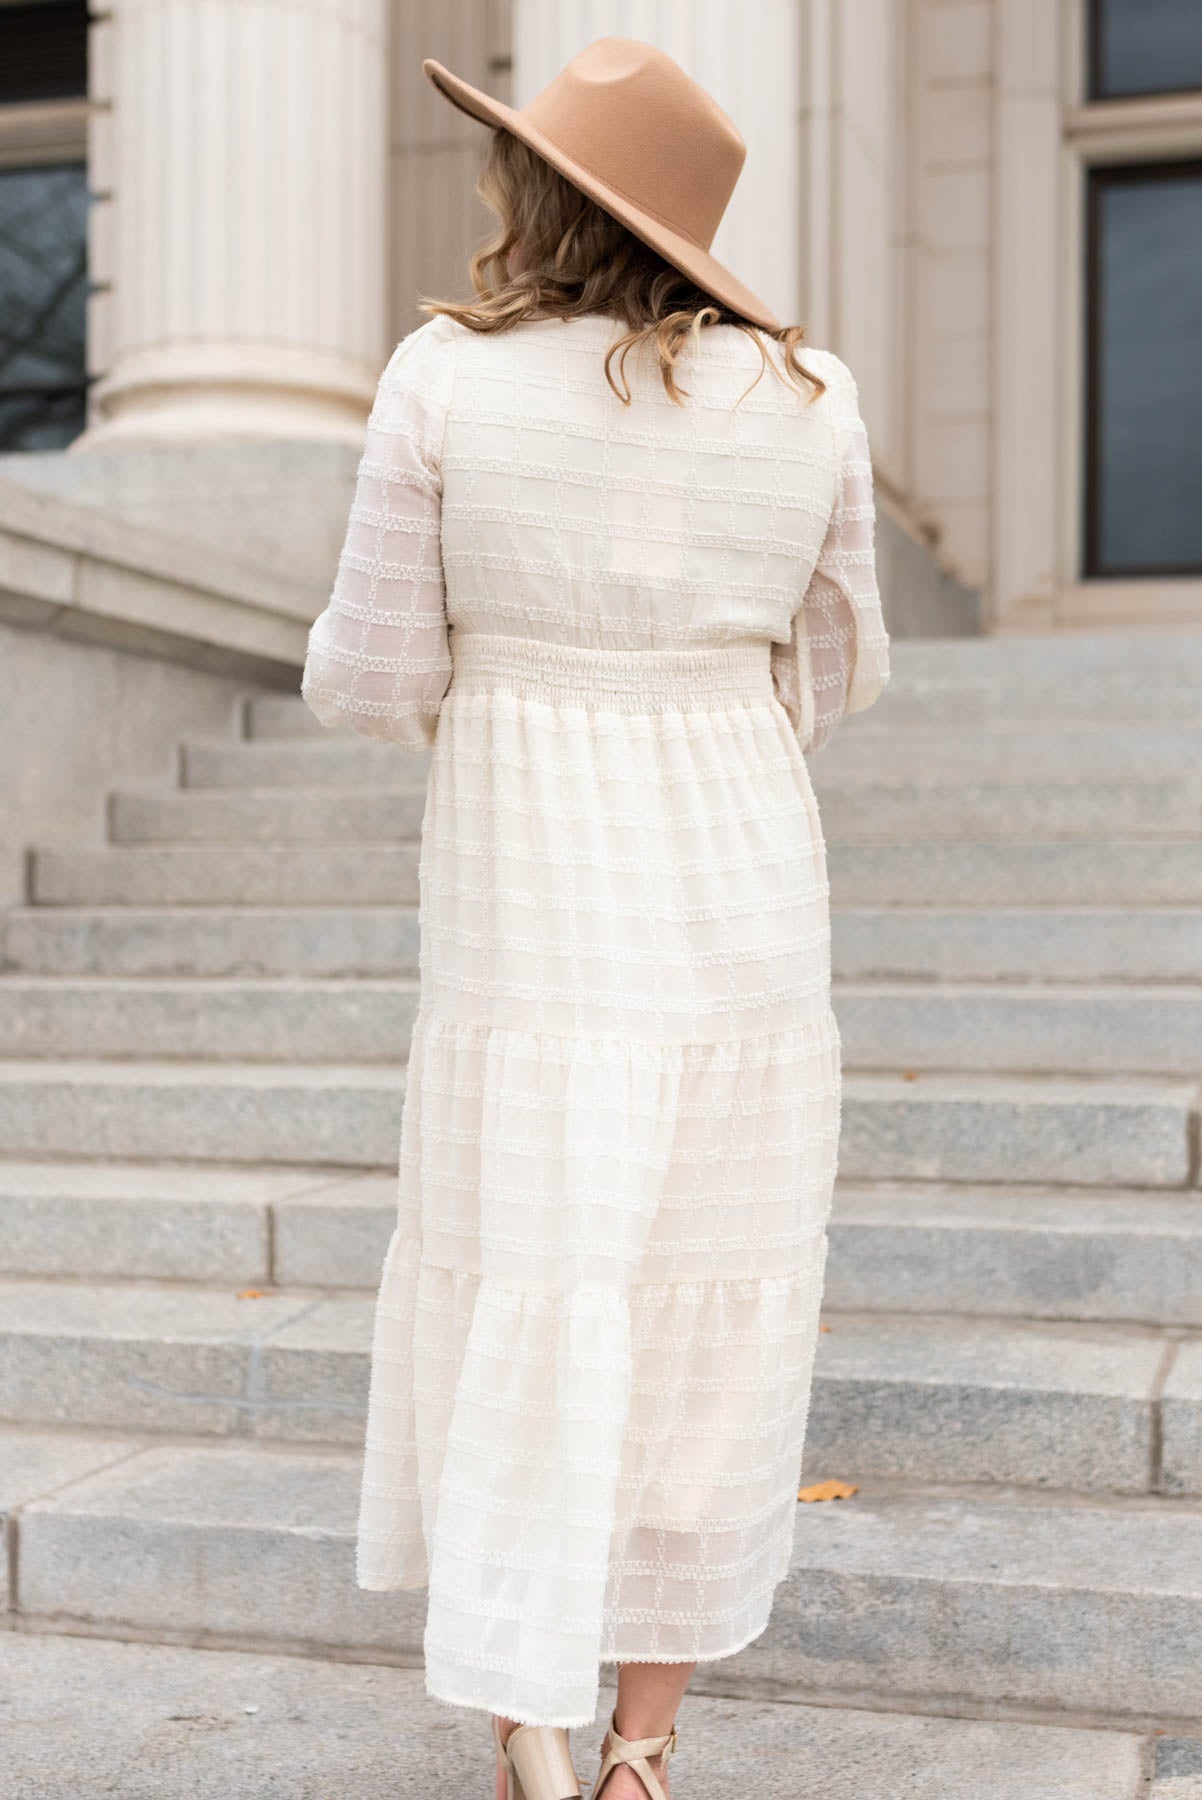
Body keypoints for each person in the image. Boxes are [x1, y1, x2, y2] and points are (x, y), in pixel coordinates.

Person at [301, 36, 890, 1800]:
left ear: (530, 188)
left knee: (537, 1279)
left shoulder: (441, 380)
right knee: (705, 1298)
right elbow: (845, 662)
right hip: (739, 870)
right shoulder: (812, 398)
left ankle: (533, 1739)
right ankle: (645, 1746)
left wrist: (519, 694)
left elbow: (374, 668)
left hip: (532, 881)